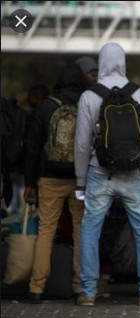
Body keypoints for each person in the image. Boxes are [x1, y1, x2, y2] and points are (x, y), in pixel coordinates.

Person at [75, 43, 140, 307]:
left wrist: (80, 180)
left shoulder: (89, 96)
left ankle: (88, 292)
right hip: (136, 173)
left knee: (90, 229)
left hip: (100, 172)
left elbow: (82, 143)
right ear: (123, 62)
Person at [22, 64, 86, 303]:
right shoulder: (86, 103)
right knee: (81, 232)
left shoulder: (45, 106)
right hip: (80, 178)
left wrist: (30, 181)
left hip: (49, 177)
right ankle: (80, 287)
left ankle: (36, 288)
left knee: (46, 231)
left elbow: (33, 147)